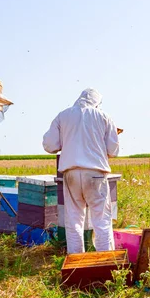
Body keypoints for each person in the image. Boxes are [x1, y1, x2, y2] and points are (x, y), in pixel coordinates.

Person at [42, 88, 120, 254]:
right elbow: (113, 150)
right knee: (101, 220)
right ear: (97, 102)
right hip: (96, 173)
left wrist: (68, 138)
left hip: (70, 173)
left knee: (74, 221)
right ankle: (106, 263)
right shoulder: (104, 116)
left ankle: (76, 263)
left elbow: (50, 145)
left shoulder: (63, 115)